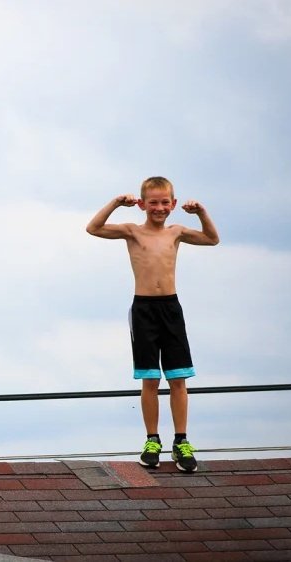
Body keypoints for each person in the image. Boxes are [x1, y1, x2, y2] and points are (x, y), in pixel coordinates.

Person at [86, 176, 219, 473]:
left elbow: (212, 239)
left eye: (164, 202)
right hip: (144, 309)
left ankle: (182, 441)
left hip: (171, 308)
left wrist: (201, 213)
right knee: (150, 378)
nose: (159, 208)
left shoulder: (177, 232)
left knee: (178, 378)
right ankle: (152, 440)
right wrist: (116, 203)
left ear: (172, 204)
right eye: (153, 203)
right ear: (143, 205)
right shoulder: (132, 231)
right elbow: (93, 228)